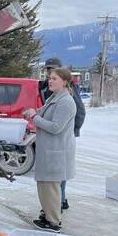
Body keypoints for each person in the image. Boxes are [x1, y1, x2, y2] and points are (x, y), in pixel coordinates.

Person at [25, 67, 77, 233]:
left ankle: (53, 222)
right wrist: (34, 113)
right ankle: (48, 214)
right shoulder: (55, 98)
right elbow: (45, 113)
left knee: (52, 186)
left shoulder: (66, 102)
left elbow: (55, 127)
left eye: (54, 78)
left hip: (57, 151)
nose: (50, 81)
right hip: (49, 149)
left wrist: (34, 117)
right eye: (50, 78)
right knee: (44, 184)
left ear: (65, 82)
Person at [39, 57, 85, 210]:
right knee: (53, 176)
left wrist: (71, 130)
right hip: (53, 137)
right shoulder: (48, 87)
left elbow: (79, 111)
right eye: (47, 70)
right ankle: (54, 205)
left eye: (53, 69)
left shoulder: (68, 91)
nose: (49, 72)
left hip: (62, 137)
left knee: (59, 175)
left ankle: (59, 203)